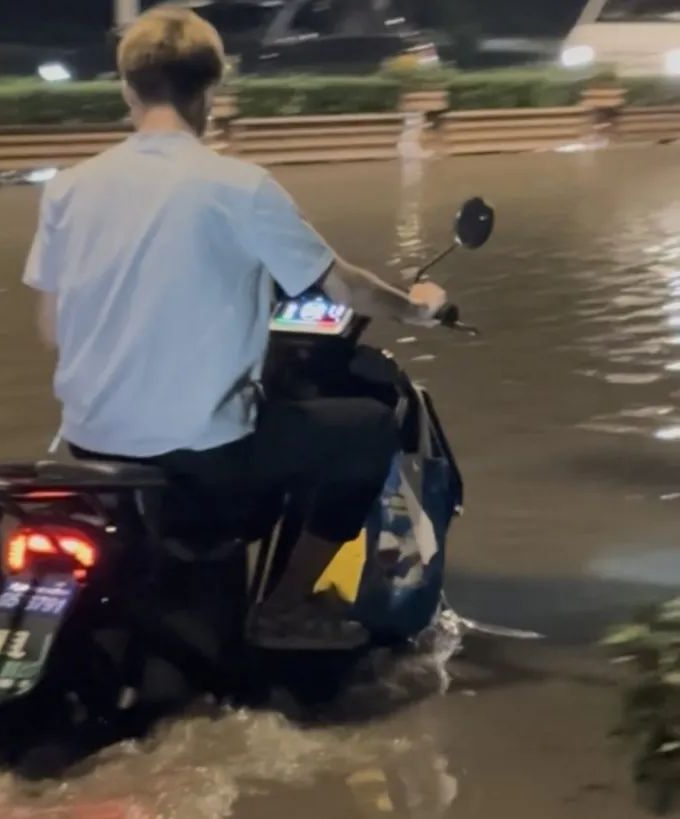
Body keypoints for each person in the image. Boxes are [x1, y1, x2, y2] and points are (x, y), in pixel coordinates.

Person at [22, 5, 446, 647]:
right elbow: (344, 285)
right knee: (365, 431)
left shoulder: (69, 188)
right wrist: (417, 306)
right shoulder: (238, 187)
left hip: (89, 451)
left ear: (126, 86)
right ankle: (285, 607)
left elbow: (51, 329)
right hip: (203, 467)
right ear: (213, 90)